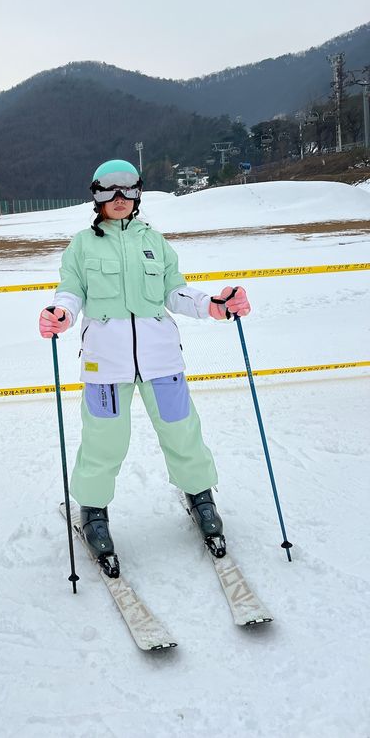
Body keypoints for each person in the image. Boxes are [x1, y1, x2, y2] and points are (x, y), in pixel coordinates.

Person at [39, 159, 250, 577]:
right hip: (105, 363)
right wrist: (60, 313)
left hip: (161, 358)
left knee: (181, 430)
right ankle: (94, 512)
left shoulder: (155, 241)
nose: (118, 200)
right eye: (108, 192)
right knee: (104, 440)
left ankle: (201, 497)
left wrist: (213, 306)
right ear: (95, 196)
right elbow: (70, 291)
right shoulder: (82, 245)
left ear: (138, 195)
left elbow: (175, 291)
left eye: (127, 191)